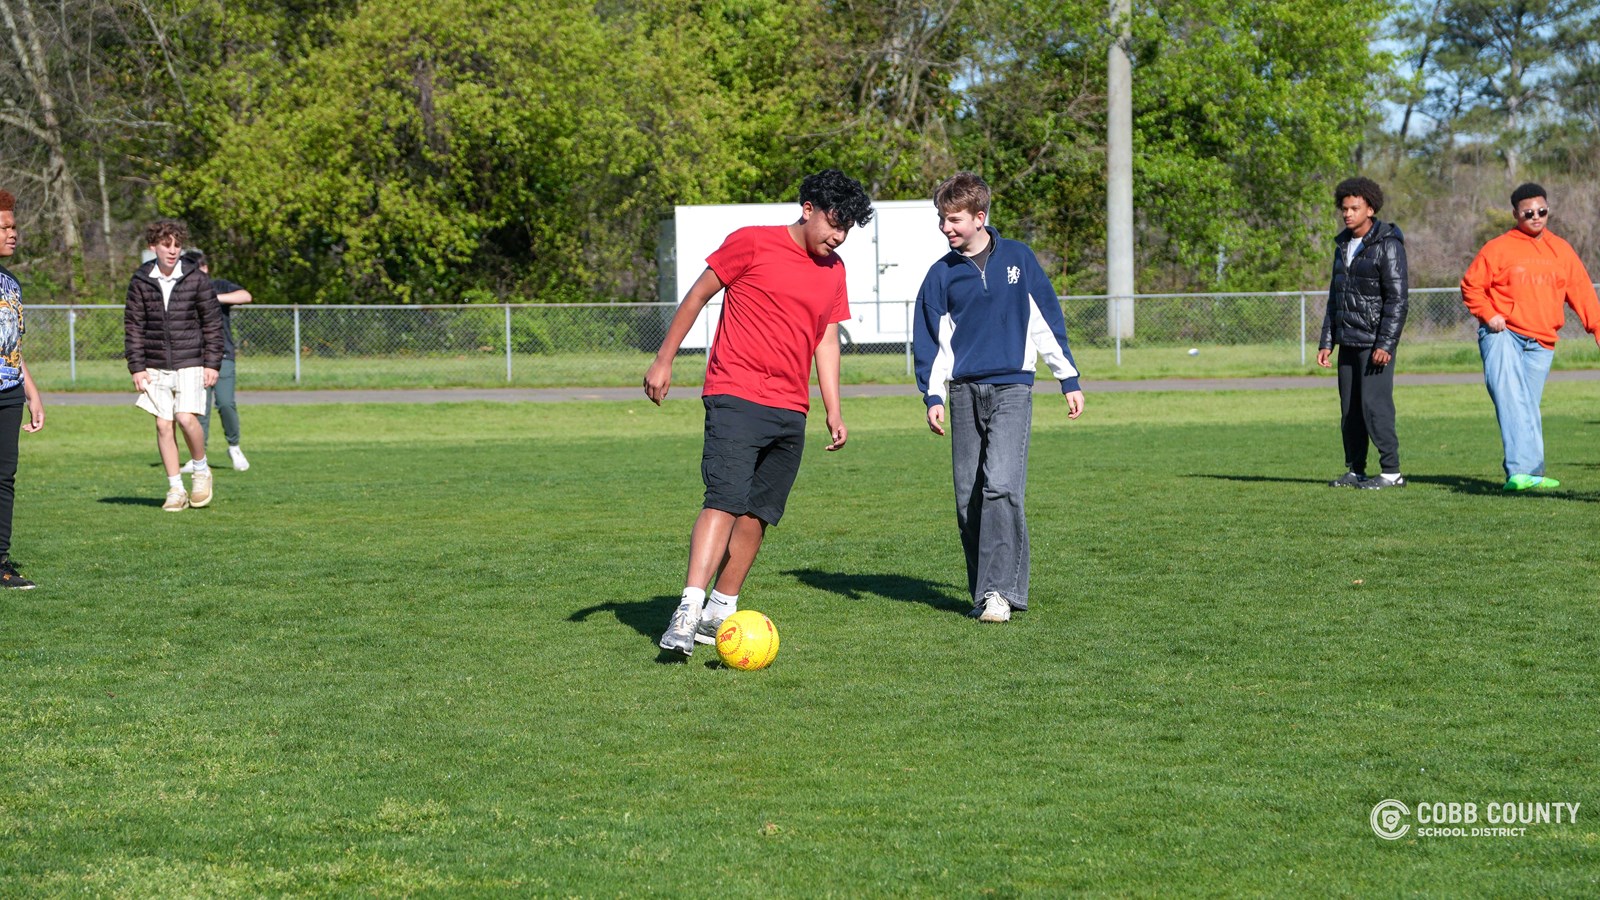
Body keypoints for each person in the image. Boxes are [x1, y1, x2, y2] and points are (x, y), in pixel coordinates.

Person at [644, 170, 874, 656]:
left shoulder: (835, 270)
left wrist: (834, 408)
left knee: (759, 514)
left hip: (792, 407)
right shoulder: (751, 243)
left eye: (847, 229)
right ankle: (687, 608)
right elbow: (698, 295)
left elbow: (826, 339)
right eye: (834, 224)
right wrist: (665, 359)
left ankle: (721, 610)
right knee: (724, 499)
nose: (838, 237)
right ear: (808, 208)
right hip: (735, 393)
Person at [912, 172, 1084, 624]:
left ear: (979, 217)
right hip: (964, 392)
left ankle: (999, 593)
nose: (946, 228)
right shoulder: (939, 276)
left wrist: (1067, 378)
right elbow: (931, 341)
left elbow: (1047, 320)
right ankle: (984, 590)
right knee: (969, 499)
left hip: (1013, 388)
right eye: (942, 220)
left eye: (953, 219)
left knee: (1002, 486)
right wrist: (933, 395)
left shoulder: (1019, 260)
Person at [1461, 182, 1600, 491]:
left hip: (1542, 342)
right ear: (1515, 214)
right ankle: (1520, 473)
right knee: (1513, 399)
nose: (1536, 217)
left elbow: (1581, 292)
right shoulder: (1497, 247)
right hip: (1503, 334)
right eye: (1529, 213)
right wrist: (1488, 313)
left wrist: (1597, 328)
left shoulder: (1560, 249)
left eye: (1542, 211)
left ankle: (1532, 473)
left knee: (1526, 405)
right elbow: (1471, 286)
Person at [124, 219, 224, 511]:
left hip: (191, 361)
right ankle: (175, 489)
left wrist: (212, 363)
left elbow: (212, 324)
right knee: (162, 424)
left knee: (185, 418)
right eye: (166, 244)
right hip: (154, 365)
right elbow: (133, 326)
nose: (172, 250)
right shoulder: (140, 280)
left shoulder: (196, 278)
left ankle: (201, 470)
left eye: (177, 245)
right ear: (153, 246)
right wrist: (137, 367)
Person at [1317, 177, 1409, 490]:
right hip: (1348, 341)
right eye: (1344, 208)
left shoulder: (1389, 244)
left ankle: (1392, 473)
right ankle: (1356, 470)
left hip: (1375, 345)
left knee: (1375, 407)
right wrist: (1327, 341)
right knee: (1350, 411)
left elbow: (1397, 299)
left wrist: (1386, 343)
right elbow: (1335, 296)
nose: (1347, 213)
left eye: (1355, 208)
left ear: (1370, 208)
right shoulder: (1342, 245)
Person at [0, 190, 45, 588]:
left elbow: (13, 345)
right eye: (4, 227)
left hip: (9, 392)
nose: (13, 234)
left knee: (4, 475)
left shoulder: (10, 283)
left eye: (14, 226)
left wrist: (31, 391)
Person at [178, 250, 252, 471]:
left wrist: (213, 298)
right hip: (195, 358)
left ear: (205, 269)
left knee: (226, 403)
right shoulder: (184, 292)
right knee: (199, 408)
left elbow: (245, 296)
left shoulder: (218, 286)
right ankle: (198, 456)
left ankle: (234, 446)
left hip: (222, 355)